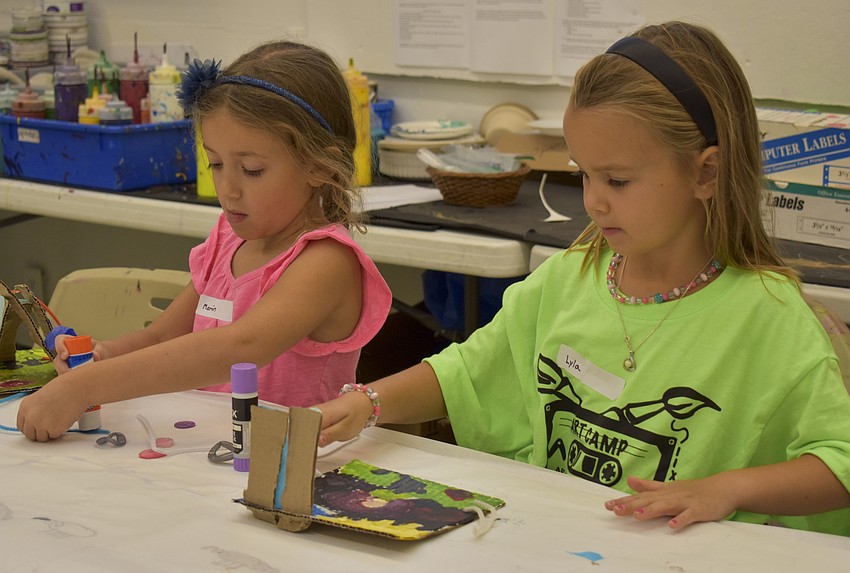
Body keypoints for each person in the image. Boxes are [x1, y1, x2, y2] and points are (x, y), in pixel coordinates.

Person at [316, 22, 850, 536]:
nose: (593, 200)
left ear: (706, 173)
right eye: (583, 173)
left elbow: (839, 465)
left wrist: (727, 489)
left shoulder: (768, 315)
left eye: (617, 179)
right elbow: (469, 373)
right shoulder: (569, 279)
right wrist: (368, 402)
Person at [17, 41, 392, 441]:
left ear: (319, 165)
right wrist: (103, 357)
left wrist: (85, 387)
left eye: (251, 169)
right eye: (215, 163)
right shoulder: (228, 240)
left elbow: (240, 347)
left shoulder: (325, 260)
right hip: (210, 456)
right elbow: (162, 337)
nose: (227, 189)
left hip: (293, 469)